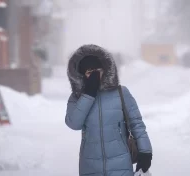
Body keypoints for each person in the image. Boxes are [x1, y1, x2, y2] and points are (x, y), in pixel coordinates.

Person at [65, 44, 153, 176]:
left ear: (105, 70)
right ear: (82, 75)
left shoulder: (121, 92)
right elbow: (73, 123)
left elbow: (137, 125)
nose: (95, 76)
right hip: (90, 167)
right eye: (90, 72)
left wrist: (145, 152)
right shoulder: (77, 97)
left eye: (97, 71)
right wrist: (89, 94)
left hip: (121, 165)